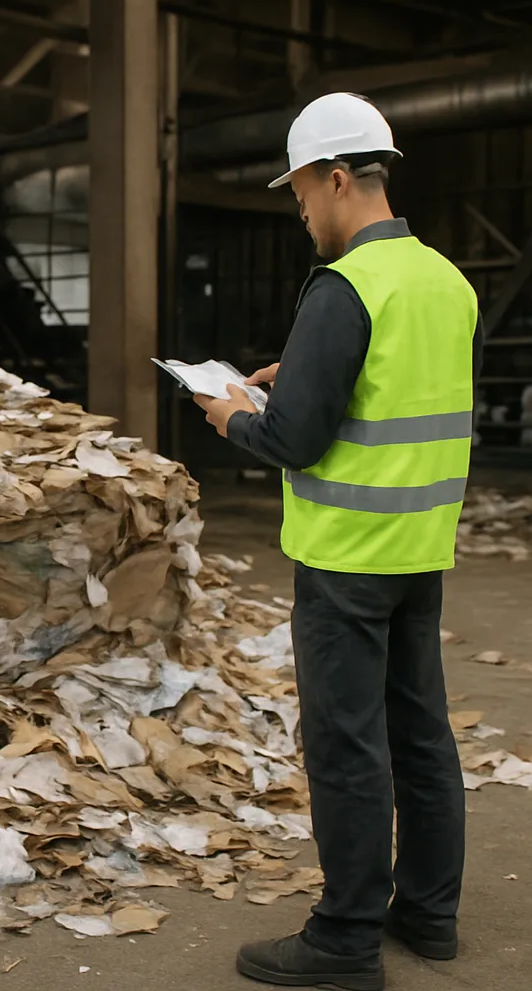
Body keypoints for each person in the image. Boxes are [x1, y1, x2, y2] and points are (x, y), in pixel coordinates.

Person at [193, 92, 484, 991]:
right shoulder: (445, 280)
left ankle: (346, 940)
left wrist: (230, 415)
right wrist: (309, 371)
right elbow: (400, 389)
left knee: (347, 747)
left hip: (347, 557)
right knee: (421, 736)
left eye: (301, 195)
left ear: (337, 178)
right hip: (418, 550)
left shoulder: (345, 286)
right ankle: (428, 916)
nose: (302, 213)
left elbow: (293, 440)